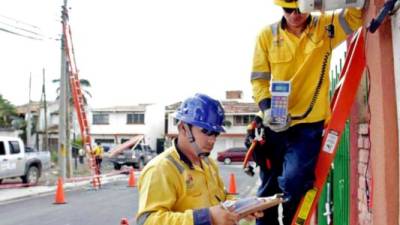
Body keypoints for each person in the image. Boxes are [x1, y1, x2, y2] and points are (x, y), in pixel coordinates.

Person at [249, 1, 363, 224]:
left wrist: (324, 5)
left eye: (299, 9)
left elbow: (356, 15)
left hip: (308, 125)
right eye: (288, 10)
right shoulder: (266, 35)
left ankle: (292, 221)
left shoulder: (326, 27)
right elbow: (259, 80)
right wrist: (267, 108)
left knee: (294, 181)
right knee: (268, 188)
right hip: (274, 122)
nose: (294, 15)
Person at [136, 93, 263, 225]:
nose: (212, 140)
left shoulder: (208, 164)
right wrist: (206, 218)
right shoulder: (160, 169)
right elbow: (147, 221)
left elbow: (222, 199)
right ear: (183, 128)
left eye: (215, 134)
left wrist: (242, 207)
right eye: (206, 131)